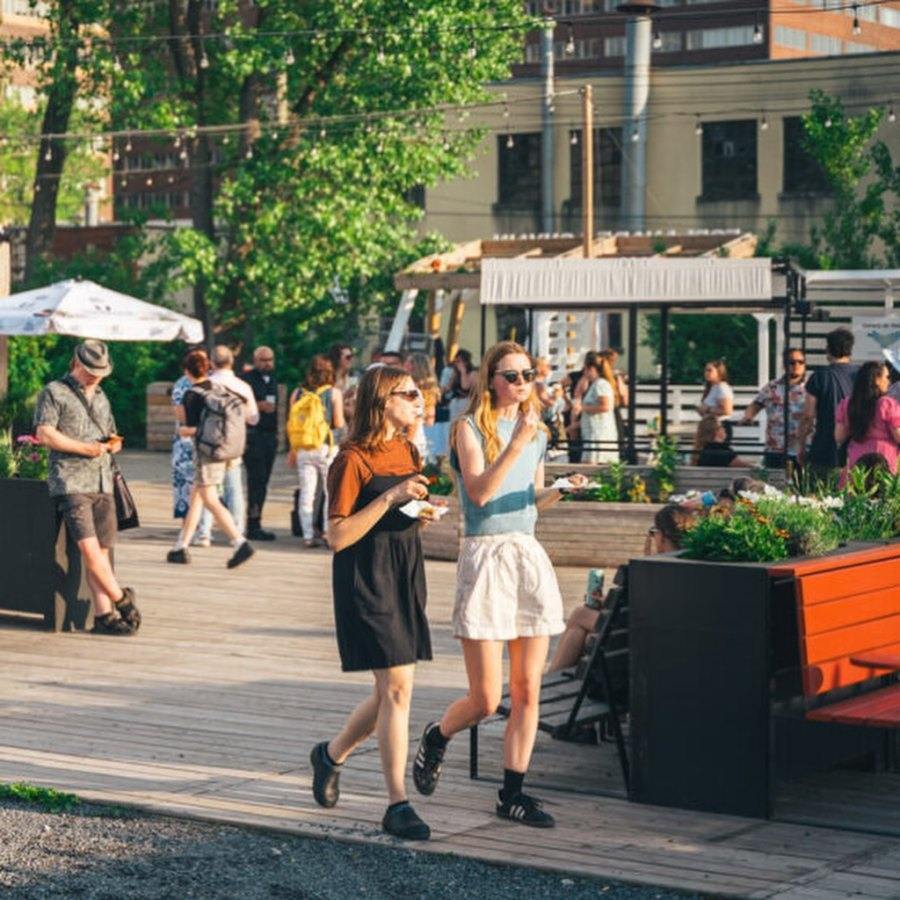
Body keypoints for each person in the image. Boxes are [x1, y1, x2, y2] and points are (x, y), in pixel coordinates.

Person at [412, 341, 587, 829]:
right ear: (489, 379)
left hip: (525, 553)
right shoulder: (469, 429)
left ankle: (513, 793)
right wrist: (514, 443)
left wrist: (558, 490)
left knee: (527, 690)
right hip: (486, 559)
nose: (521, 383)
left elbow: (529, 499)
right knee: (487, 699)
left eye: (527, 374)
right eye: (511, 375)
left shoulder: (538, 433)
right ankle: (438, 735)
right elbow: (481, 493)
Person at [309, 365, 434, 841]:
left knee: (389, 692)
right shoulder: (351, 459)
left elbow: (402, 508)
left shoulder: (405, 447)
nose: (418, 400)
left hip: (404, 570)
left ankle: (331, 755)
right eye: (409, 394)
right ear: (383, 401)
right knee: (399, 690)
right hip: (368, 577)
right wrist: (392, 500)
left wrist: (421, 510)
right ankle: (397, 803)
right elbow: (337, 535)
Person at [34, 340, 141, 636]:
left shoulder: (103, 397)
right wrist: (84, 448)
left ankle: (104, 615)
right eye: (92, 370)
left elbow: (110, 432)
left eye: (101, 371)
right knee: (88, 549)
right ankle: (123, 601)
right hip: (70, 482)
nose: (97, 376)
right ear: (76, 363)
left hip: (103, 480)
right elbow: (44, 434)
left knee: (103, 553)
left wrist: (113, 443)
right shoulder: (54, 392)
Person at [547, 504, 696, 673]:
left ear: (661, 537)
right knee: (586, 636)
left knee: (580, 615)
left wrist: (648, 557)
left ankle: (548, 680)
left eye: (654, 532)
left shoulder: (655, 569)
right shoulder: (693, 564)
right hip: (668, 640)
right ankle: (551, 680)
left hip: (643, 638)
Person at [167, 349, 255, 569]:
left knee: (209, 498)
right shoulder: (218, 388)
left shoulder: (193, 394)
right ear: (207, 368)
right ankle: (181, 546)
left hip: (208, 453)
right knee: (196, 496)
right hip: (227, 449)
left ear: (187, 370)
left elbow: (191, 428)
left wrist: (181, 431)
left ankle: (239, 542)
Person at [287, 354, 345, 548]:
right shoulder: (334, 393)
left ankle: (307, 535)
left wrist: (292, 450)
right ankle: (328, 533)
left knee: (307, 492)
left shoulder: (297, 394)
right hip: (326, 448)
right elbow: (338, 423)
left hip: (303, 448)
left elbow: (291, 424)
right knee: (330, 492)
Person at [207, 345, 259, 539]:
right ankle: (238, 531)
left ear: (211, 362)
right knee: (234, 489)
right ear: (231, 361)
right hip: (234, 443)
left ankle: (204, 532)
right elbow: (254, 418)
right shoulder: (243, 387)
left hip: (210, 443)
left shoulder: (205, 385)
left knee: (207, 488)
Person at [798, 327, 859, 483]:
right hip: (855, 448)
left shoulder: (819, 377)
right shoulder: (861, 375)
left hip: (823, 448)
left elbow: (808, 416)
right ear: (850, 349)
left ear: (828, 349)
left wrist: (801, 446)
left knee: (816, 499)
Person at [740, 348, 809, 469]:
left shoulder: (811, 387)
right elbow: (756, 404)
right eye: (792, 362)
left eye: (800, 362)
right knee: (773, 484)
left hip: (801, 448)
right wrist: (748, 416)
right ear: (784, 364)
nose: (796, 365)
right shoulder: (773, 386)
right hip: (776, 448)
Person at [171, 361, 212, 548]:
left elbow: (180, 416)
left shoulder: (181, 385)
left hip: (186, 442)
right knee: (207, 488)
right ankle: (204, 532)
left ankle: (187, 531)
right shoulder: (215, 385)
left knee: (187, 489)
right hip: (210, 443)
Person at [834, 360, 900, 477]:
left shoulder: (848, 403)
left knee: (857, 490)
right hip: (884, 457)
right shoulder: (886, 404)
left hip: (857, 456)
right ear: (877, 380)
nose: (889, 381)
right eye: (886, 377)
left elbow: (839, 436)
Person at [241, 346, 279, 540]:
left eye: (270, 359)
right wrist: (258, 405)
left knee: (263, 482)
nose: (267, 363)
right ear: (255, 360)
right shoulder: (247, 379)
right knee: (256, 479)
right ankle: (252, 523)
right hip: (253, 435)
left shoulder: (273, 379)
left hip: (269, 436)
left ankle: (257, 520)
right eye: (263, 360)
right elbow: (239, 404)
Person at [580, 355, 619, 463]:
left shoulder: (600, 384)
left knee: (592, 466)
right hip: (593, 433)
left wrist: (583, 408)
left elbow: (605, 406)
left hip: (598, 434)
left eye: (585, 369)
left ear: (591, 369)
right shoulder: (595, 384)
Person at [409, 352, 444, 460]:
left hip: (413, 434)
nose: (405, 364)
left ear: (415, 366)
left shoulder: (411, 387)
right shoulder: (430, 389)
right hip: (427, 434)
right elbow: (430, 421)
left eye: (408, 362)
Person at [328, 343, 356, 441]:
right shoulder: (328, 378)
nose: (351, 360)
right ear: (337, 359)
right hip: (331, 426)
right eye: (348, 357)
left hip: (347, 425)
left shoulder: (348, 378)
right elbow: (326, 401)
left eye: (352, 356)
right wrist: (344, 396)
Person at [442, 349, 476, 423]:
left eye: (459, 361)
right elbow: (449, 386)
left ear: (465, 362)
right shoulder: (455, 372)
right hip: (456, 400)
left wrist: (463, 372)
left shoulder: (472, 373)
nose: (456, 363)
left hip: (467, 400)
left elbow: (465, 386)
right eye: (456, 361)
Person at [697, 360, 734, 429]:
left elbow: (727, 410)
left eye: (710, 370)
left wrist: (708, 409)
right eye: (705, 370)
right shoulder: (712, 388)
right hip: (710, 425)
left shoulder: (722, 387)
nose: (706, 373)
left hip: (720, 426)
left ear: (719, 371)